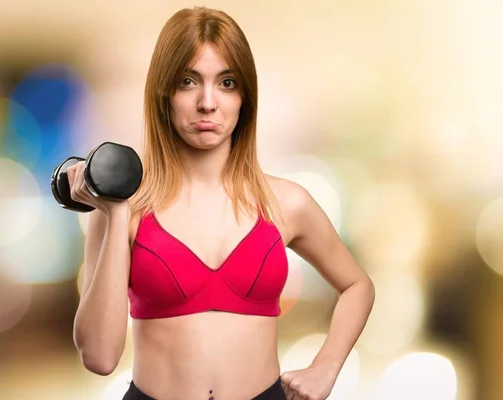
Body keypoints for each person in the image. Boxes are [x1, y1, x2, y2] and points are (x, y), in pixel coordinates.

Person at [67, 6, 375, 400]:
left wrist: (326, 368)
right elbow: (99, 356)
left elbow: (357, 285)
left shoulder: (286, 202)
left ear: (246, 95)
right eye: (188, 81)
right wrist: (113, 214)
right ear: (163, 93)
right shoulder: (123, 208)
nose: (208, 103)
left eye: (226, 82)